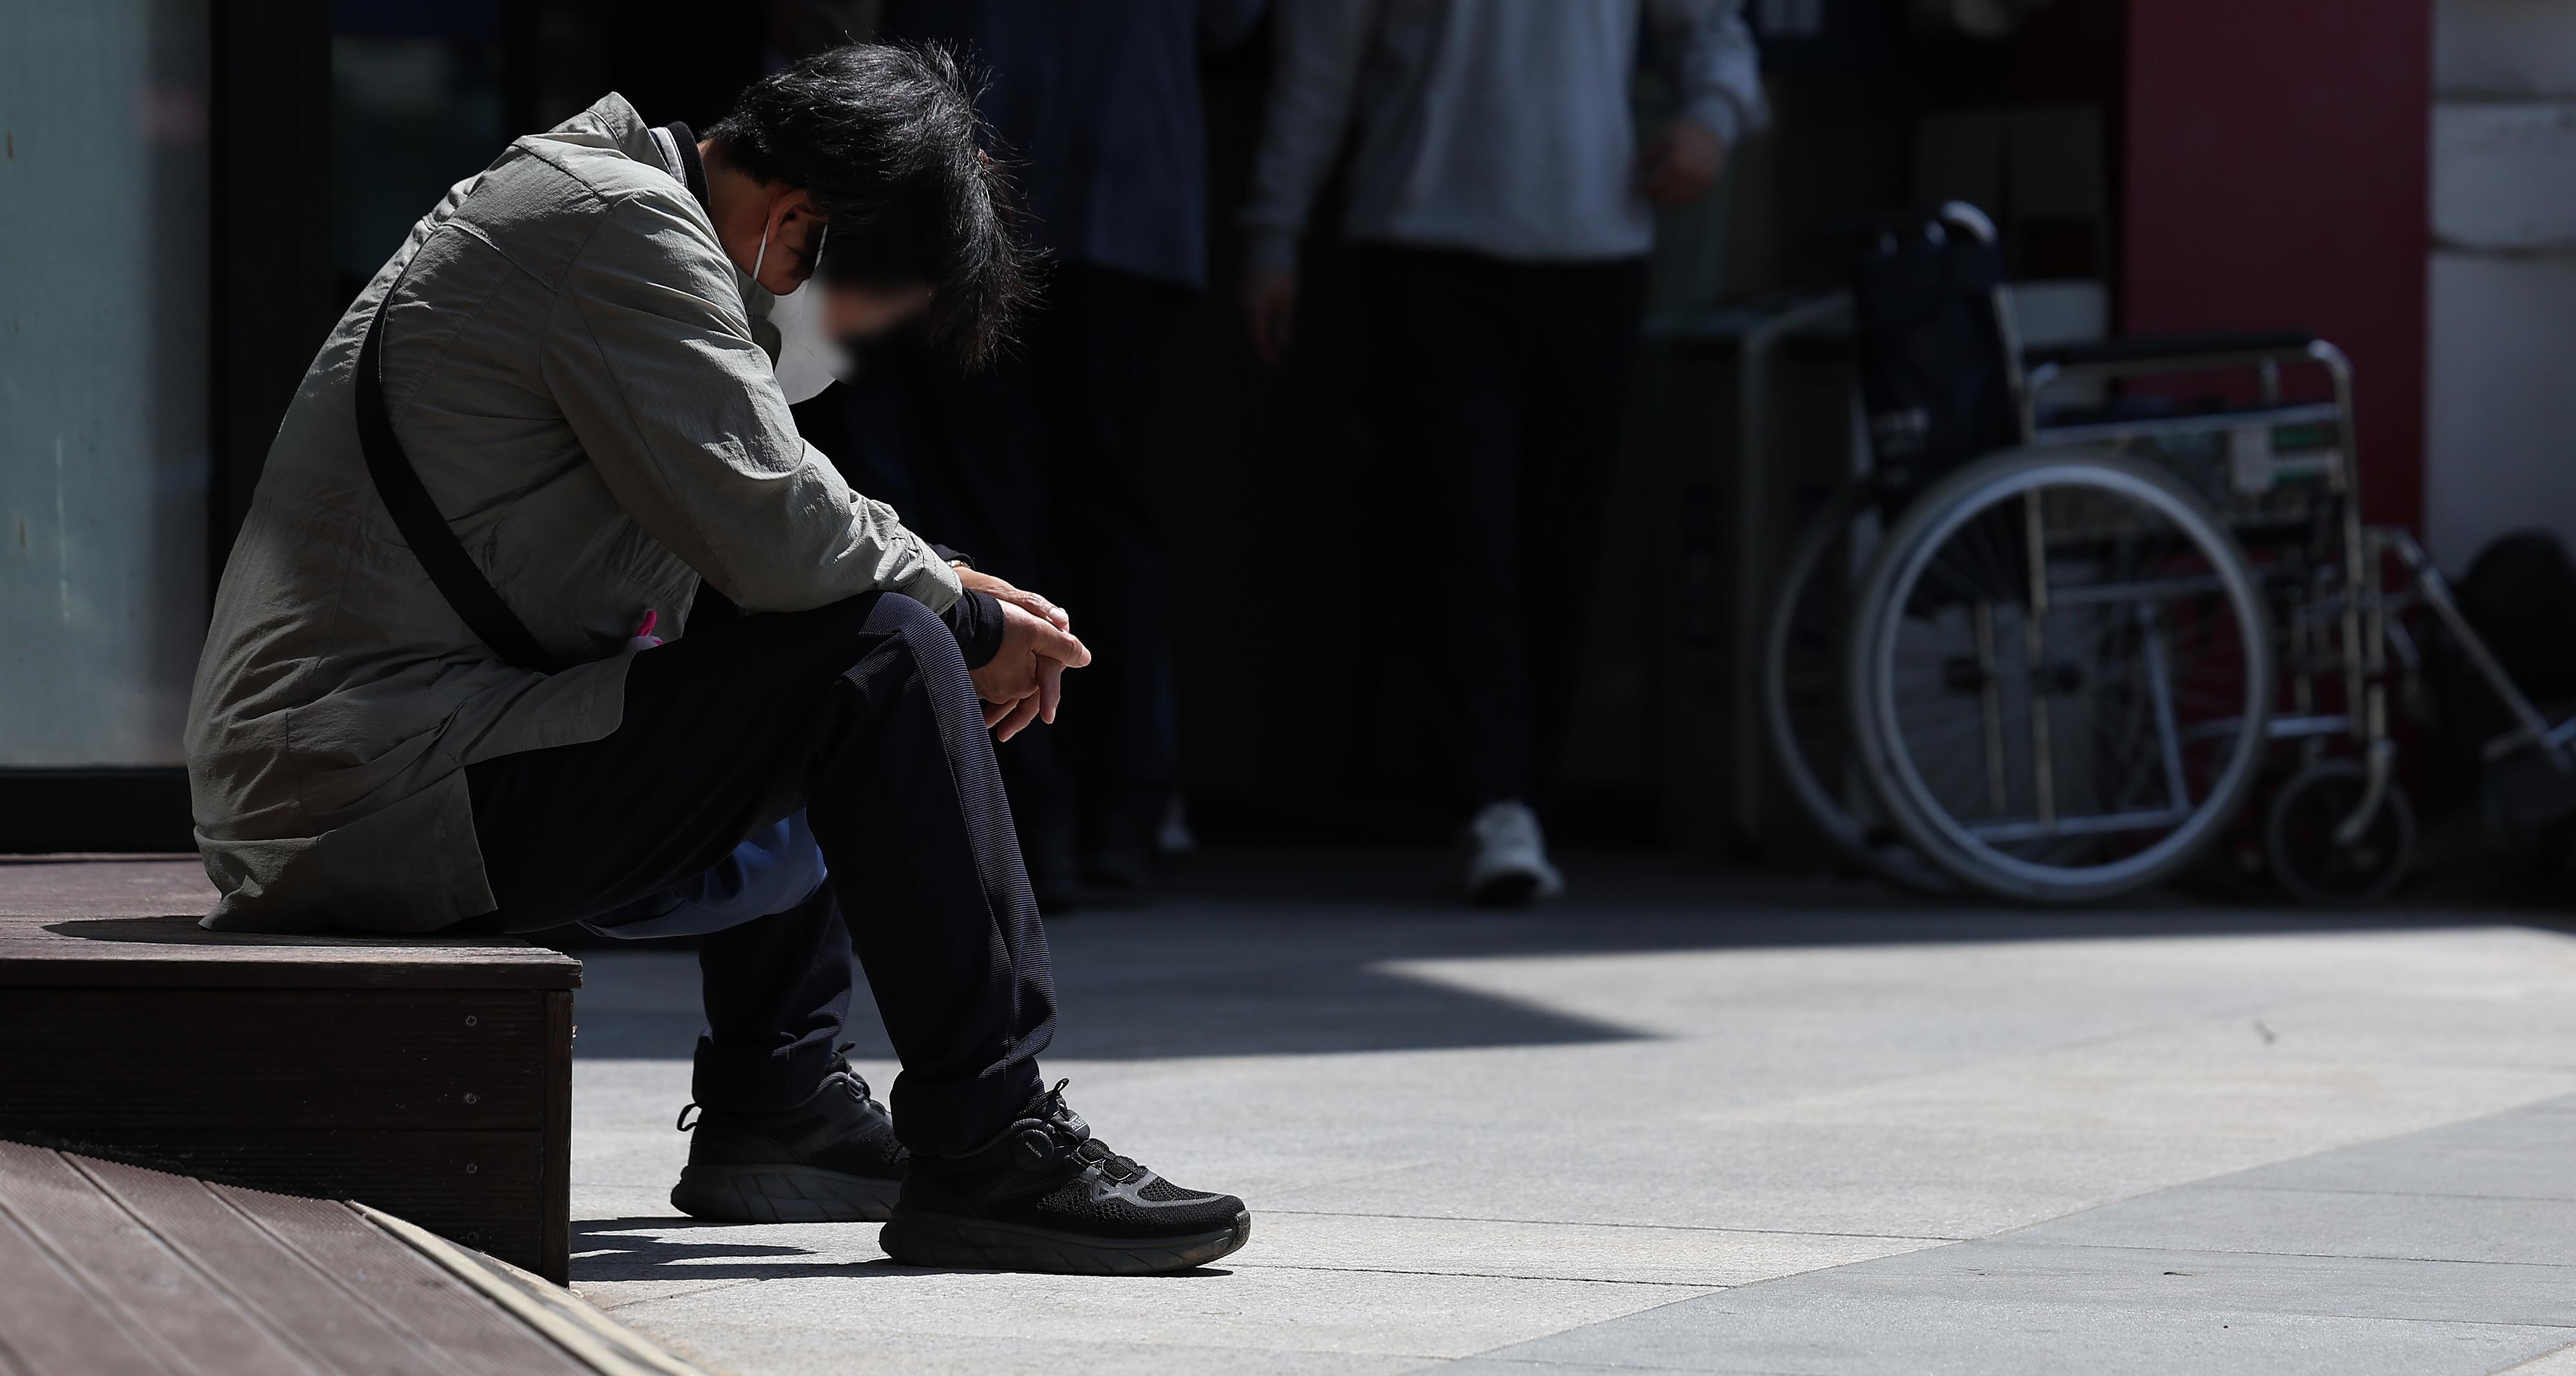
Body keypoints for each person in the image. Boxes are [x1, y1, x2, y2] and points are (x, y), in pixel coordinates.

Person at [184, 44, 1249, 1275]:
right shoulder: (621, 232)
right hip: (363, 793)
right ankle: (990, 1136)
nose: (839, 350)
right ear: (797, 226)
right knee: (883, 653)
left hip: (374, 762)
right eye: (859, 314)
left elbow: (761, 536)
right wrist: (961, 620)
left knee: (839, 629)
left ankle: (780, 1097)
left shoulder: (602, 207)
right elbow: (780, 529)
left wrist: (944, 584)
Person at [1240, 0, 1765, 905]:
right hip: (1424, 246)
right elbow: (1319, 66)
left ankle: (1520, 788)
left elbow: (1711, 26)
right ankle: (1492, 798)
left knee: (1561, 536)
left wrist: (1709, 119)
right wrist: (1272, 229)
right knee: (1462, 523)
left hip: (1594, 246)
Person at [848, 0, 1267, 901]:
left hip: (1002, 178)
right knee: (1101, 508)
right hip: (1113, 187)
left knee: (996, 507)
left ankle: (1034, 817)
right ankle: (1114, 808)